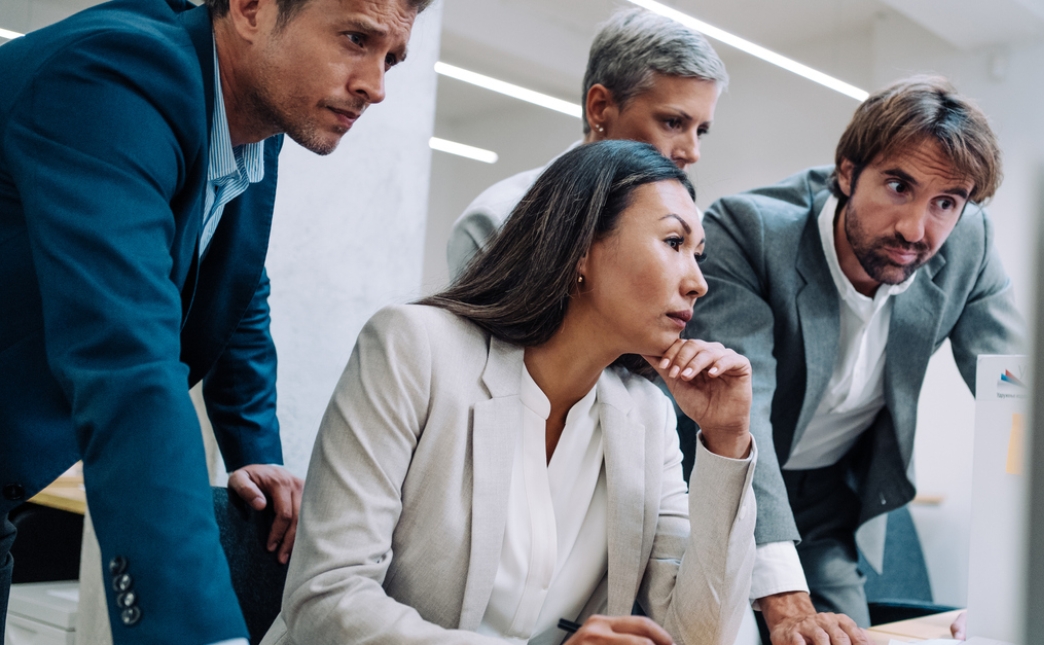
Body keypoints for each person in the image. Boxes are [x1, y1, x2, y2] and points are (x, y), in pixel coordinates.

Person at [0, 0, 431, 640]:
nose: (376, 85)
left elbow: (232, 280)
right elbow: (129, 365)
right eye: (354, 38)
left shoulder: (248, 118)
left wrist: (257, 456)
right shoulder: (114, 77)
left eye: (390, 57)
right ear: (252, 10)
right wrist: (196, 631)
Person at [261, 141, 756, 645]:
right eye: (674, 243)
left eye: (699, 255)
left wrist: (726, 440)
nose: (698, 283)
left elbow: (699, 635)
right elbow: (327, 598)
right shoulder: (413, 347)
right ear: (581, 247)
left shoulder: (647, 414)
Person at [675, 77, 1025, 639]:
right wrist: (785, 601)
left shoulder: (970, 246)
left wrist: (1012, 592)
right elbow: (743, 414)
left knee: (850, 634)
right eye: (897, 186)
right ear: (846, 172)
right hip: (715, 488)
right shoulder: (748, 233)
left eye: (945, 203)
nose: (916, 228)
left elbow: (1017, 401)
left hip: (827, 497)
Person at [446, 7, 726, 280]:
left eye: (700, 131)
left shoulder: (696, 233)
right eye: (673, 123)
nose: (692, 152)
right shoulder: (499, 220)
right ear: (600, 107)